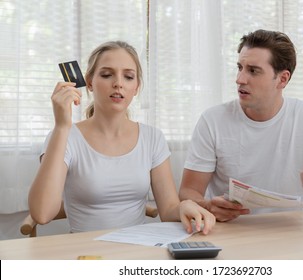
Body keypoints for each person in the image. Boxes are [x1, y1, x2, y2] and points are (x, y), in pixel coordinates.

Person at [28, 41, 215, 234]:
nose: (118, 83)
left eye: (128, 77)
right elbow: (42, 214)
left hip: (135, 249)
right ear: (89, 82)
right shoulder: (64, 137)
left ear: (136, 87)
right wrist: (61, 127)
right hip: (87, 254)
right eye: (107, 75)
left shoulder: (152, 138)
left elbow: (168, 210)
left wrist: (184, 206)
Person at [179, 29, 303, 222]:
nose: (240, 79)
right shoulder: (212, 120)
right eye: (240, 67)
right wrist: (208, 206)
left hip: (293, 233)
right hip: (233, 231)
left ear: (282, 79)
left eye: (253, 71)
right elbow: (189, 192)